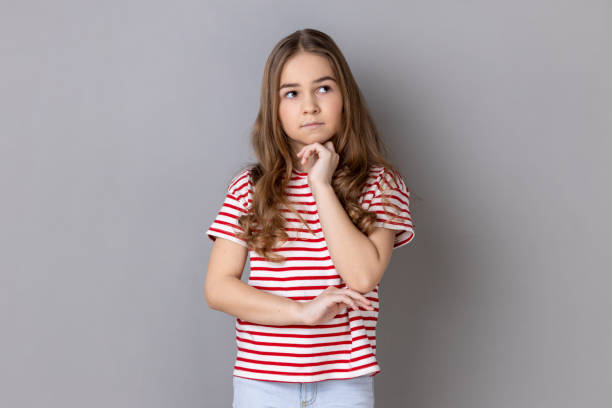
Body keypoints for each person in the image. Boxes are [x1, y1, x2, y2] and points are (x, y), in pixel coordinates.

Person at [204, 28, 415, 408]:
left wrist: (322, 186)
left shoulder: (381, 184)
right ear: (275, 108)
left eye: (323, 88)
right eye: (292, 93)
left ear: (345, 98)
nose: (309, 106)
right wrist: (302, 313)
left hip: (344, 384)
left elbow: (363, 276)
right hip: (261, 383)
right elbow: (218, 288)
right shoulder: (249, 188)